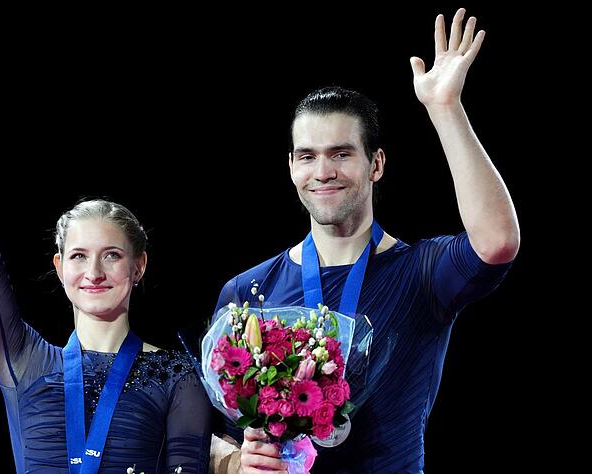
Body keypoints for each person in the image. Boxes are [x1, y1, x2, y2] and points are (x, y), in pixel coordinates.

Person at [210, 8, 520, 473]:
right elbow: (217, 433)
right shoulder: (247, 291)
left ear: (376, 164)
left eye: (341, 154)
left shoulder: (421, 274)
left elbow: (497, 241)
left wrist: (445, 109)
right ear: (291, 167)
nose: (323, 172)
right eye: (307, 156)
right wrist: (238, 460)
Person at [0, 44, 211, 474]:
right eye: (79, 256)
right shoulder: (24, 360)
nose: (94, 273)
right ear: (60, 268)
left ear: (138, 266)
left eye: (112, 256)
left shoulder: (177, 376)